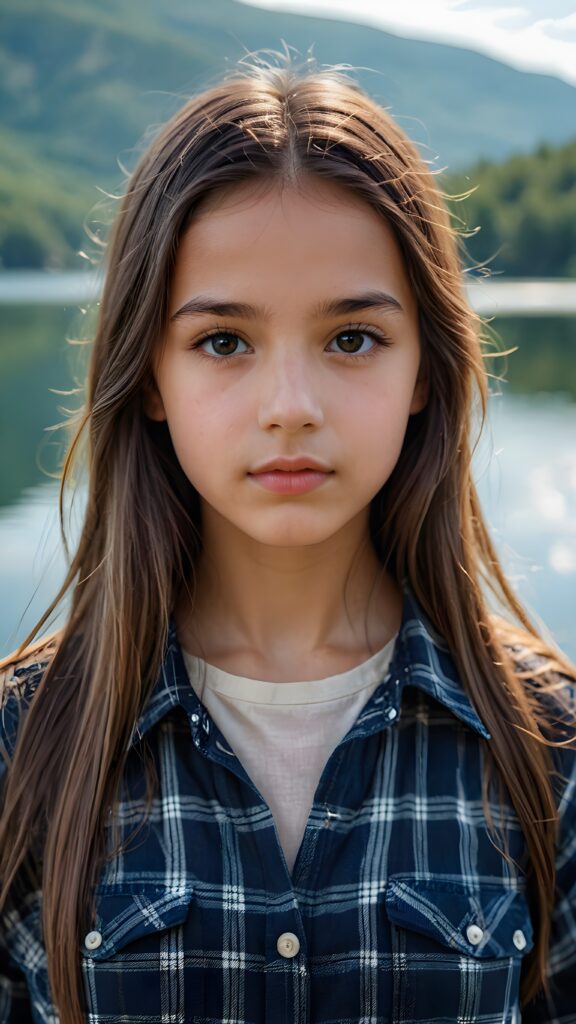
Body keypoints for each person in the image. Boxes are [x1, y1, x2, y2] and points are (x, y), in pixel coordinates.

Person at [0, 52, 575, 1024]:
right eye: (224, 341)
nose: (291, 407)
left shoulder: (549, 747)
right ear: (150, 375)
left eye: (352, 338)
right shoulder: (22, 747)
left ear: (426, 370)